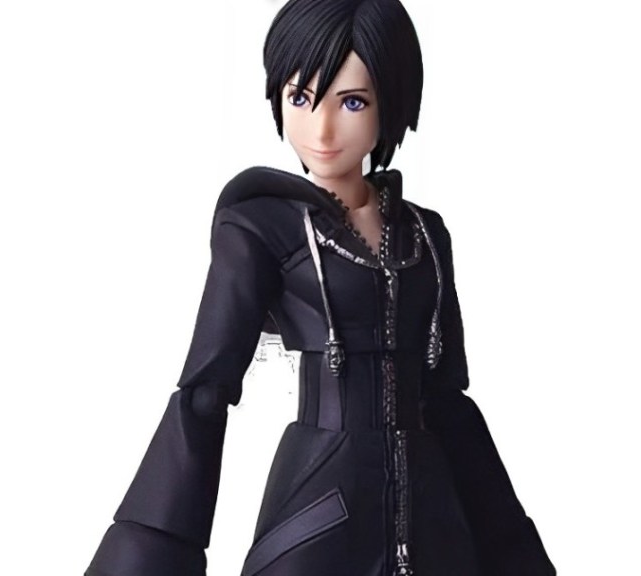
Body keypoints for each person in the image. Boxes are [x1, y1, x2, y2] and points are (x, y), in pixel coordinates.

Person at [85, 1, 556, 574]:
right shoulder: (263, 228)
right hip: (322, 509)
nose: (323, 129)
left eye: (352, 102)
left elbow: (448, 401)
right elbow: (205, 392)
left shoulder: (425, 235)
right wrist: (150, 554)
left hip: (432, 519)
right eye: (300, 98)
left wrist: (510, 550)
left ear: (392, 101)